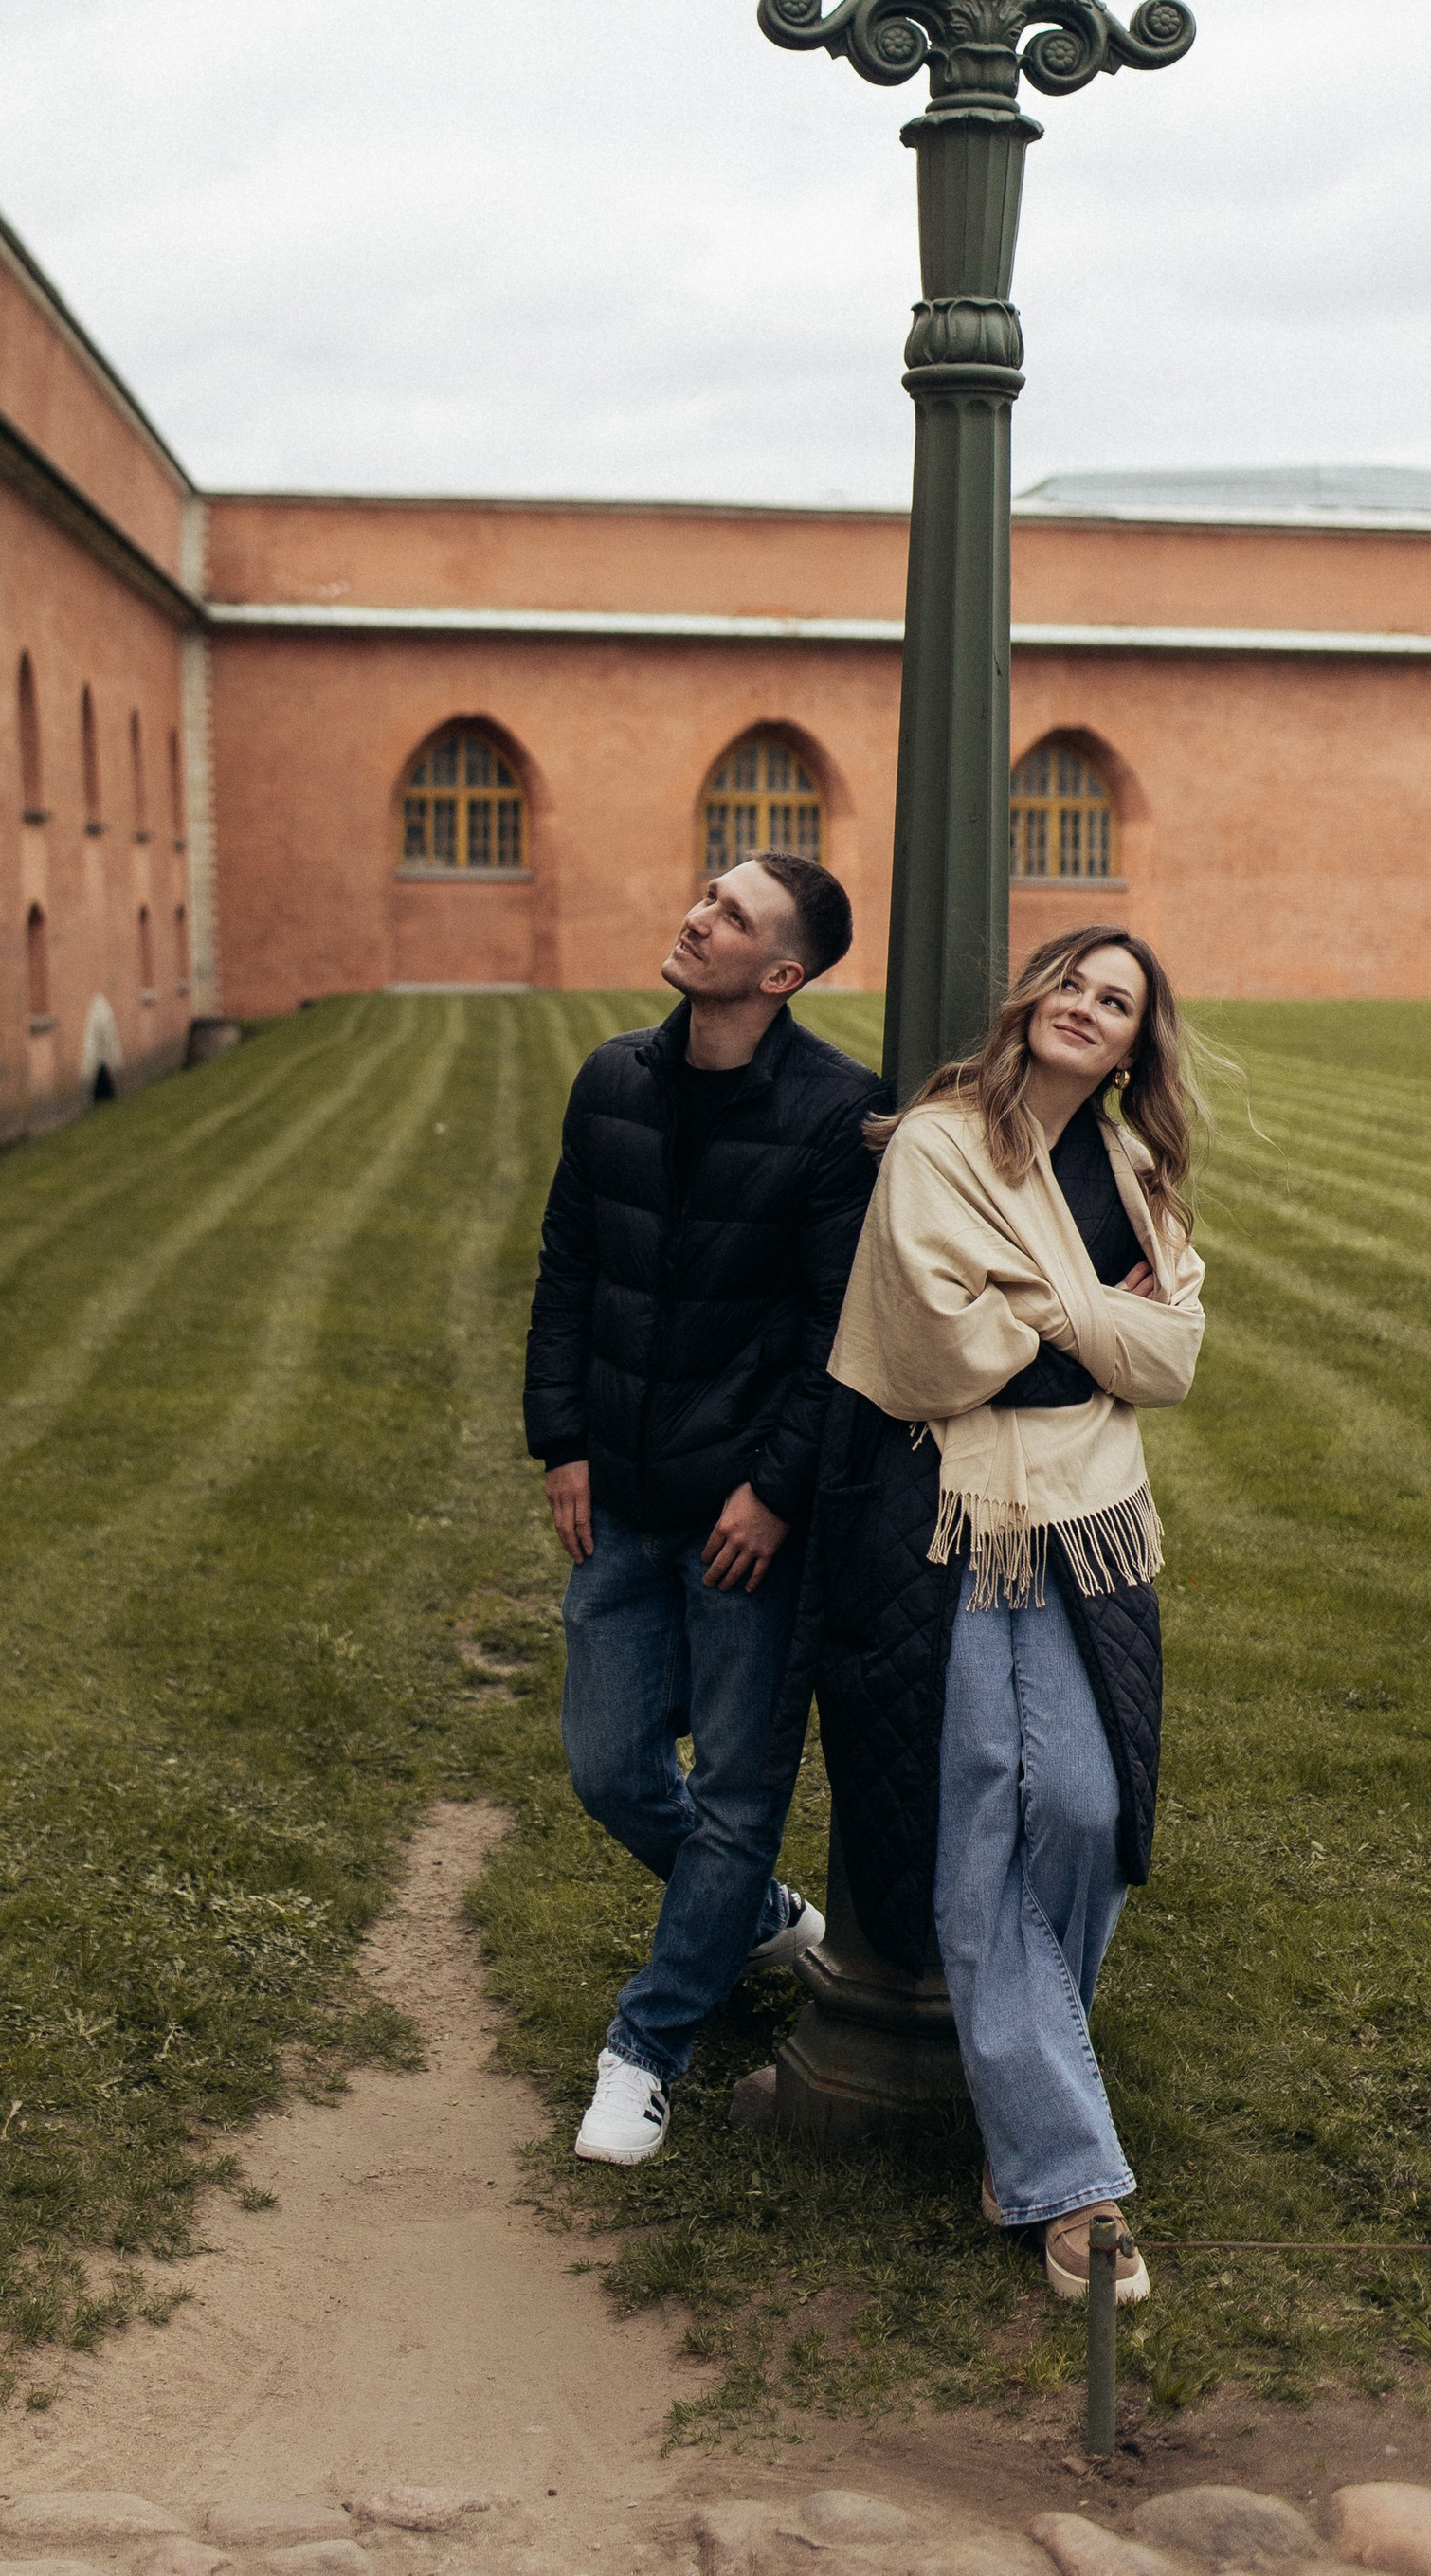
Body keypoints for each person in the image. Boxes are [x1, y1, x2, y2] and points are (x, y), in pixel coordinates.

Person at [790, 926, 1207, 2304]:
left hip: (1089, 1523)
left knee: (1083, 1810)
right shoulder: (937, 1145)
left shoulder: (1139, 1173)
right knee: (984, 1813)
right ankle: (1065, 2178)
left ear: (1136, 1043)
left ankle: (1020, 2072)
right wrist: (1093, 1324)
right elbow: (931, 1353)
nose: (1086, 1009)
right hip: (953, 1520)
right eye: (1073, 984)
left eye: (1117, 1001)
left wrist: (1038, 1307)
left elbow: (1174, 1357)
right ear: (1032, 1002)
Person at [523, 849, 887, 2166]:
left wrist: (776, 1493)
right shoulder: (612, 1079)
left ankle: (647, 2047)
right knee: (612, 1767)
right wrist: (561, 1440)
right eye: (705, 895)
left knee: (736, 1791)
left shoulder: (840, 1118)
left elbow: (834, 1335)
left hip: (746, 1520)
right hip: (620, 1498)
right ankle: (750, 1915)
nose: (696, 915)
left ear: (781, 974)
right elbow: (570, 1265)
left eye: (731, 915)